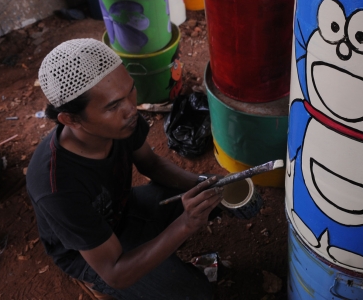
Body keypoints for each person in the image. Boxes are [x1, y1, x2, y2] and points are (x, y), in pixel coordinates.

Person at [26, 38, 223, 300]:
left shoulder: (122, 120)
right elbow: (115, 271)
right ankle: (101, 283)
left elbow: (150, 163)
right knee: (196, 295)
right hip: (95, 255)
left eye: (130, 91)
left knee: (216, 192)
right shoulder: (56, 187)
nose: (131, 108)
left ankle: (157, 258)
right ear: (71, 119)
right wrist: (186, 224)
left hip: (125, 210)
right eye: (113, 105)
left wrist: (203, 184)